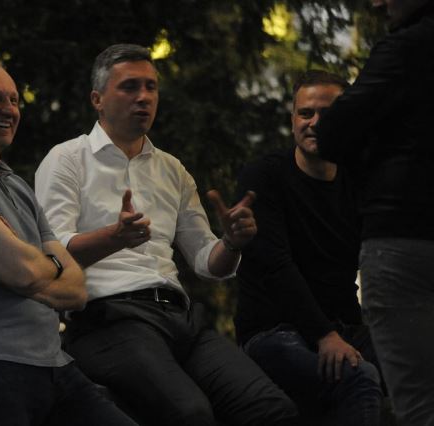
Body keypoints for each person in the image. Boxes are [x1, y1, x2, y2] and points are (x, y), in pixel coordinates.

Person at [35, 43, 299, 426]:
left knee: (272, 409)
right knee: (191, 413)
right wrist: (114, 237)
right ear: (97, 99)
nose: (143, 96)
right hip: (108, 320)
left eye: (151, 86)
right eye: (129, 86)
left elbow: (207, 262)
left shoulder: (172, 170)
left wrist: (231, 242)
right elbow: (52, 257)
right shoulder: (67, 159)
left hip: (181, 319)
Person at [0, 55, 138, 426]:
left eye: (14, 100)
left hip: (54, 365)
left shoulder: (16, 185)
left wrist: (28, 270)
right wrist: (38, 268)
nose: (9, 109)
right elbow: (20, 271)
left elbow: (76, 289)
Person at [233, 70, 383, 425]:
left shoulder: (358, 181)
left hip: (342, 327)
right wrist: (324, 335)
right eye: (306, 113)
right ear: (293, 121)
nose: (315, 123)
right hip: (273, 332)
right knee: (358, 377)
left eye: (328, 114)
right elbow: (275, 268)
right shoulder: (264, 177)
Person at [316, 1, 434, 425]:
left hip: (403, 237)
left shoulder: (407, 48)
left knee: (420, 404)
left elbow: (332, 134)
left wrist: (376, 154)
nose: (377, 3)